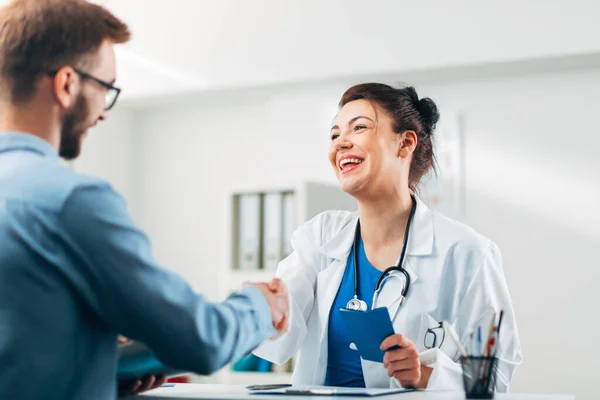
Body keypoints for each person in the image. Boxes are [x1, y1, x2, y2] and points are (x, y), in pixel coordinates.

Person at [0, 1, 288, 399]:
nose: (103, 112)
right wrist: (258, 305)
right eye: (106, 89)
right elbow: (200, 340)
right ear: (67, 84)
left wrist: (103, 366)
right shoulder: (70, 200)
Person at [254, 83, 522, 391]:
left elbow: (495, 378)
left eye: (359, 128)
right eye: (334, 134)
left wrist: (423, 374)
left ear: (405, 143)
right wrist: (264, 308)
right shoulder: (319, 237)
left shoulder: (466, 251)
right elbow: (278, 340)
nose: (340, 143)